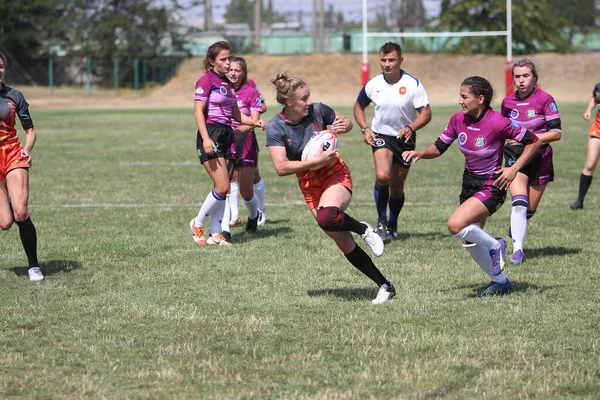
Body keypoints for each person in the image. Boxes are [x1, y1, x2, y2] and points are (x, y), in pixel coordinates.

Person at [402, 76, 542, 297]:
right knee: (469, 238)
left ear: (480, 98)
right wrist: (420, 153)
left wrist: (513, 169)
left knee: (455, 225)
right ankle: (500, 282)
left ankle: (496, 245)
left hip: (492, 184)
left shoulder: (498, 122)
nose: (460, 101)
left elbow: (535, 142)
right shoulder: (458, 120)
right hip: (469, 182)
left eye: (464, 96)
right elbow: (440, 147)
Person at [266, 72, 395, 305]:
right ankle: (386, 286)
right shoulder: (276, 128)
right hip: (309, 182)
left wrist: (345, 125)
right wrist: (313, 163)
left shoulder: (318, 110)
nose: (309, 102)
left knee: (327, 217)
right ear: (288, 102)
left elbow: (345, 122)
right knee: (343, 240)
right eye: (303, 99)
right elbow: (281, 167)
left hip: (334, 172)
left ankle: (364, 230)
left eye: (309, 97)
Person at [354, 41, 432, 244]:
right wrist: (365, 128)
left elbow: (426, 113)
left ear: (400, 60)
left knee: (397, 187)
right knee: (382, 176)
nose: (387, 64)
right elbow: (358, 107)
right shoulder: (373, 84)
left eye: (391, 60)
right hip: (381, 136)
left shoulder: (412, 83)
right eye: (383, 60)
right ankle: (380, 222)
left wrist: (411, 128)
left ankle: (392, 222)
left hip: (404, 138)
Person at [189, 41, 264, 247]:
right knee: (222, 186)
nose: (228, 62)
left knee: (223, 188)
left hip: (226, 134)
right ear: (212, 62)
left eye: (229, 58)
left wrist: (253, 121)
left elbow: (235, 113)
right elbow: (198, 111)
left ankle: (216, 233)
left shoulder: (227, 84)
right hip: (211, 132)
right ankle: (198, 222)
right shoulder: (205, 80)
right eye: (223, 59)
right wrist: (205, 137)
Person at [501, 59, 562, 265]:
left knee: (529, 210)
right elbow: (503, 131)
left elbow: (556, 133)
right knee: (519, 202)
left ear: (534, 77)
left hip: (541, 157)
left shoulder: (545, 99)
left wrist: (528, 137)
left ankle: (516, 227)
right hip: (515, 156)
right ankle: (518, 250)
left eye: (525, 76)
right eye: (517, 76)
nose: (520, 80)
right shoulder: (507, 103)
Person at [0, 51, 43, 281]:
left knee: (21, 212)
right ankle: (7, 196)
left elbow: (30, 130)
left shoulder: (14, 96)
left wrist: (26, 150)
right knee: (5, 223)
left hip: (13, 155)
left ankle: (34, 266)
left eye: (0, 66)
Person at [220, 56, 264, 239]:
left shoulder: (251, 92)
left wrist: (237, 131)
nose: (232, 73)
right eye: (230, 69)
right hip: (224, 142)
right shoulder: (221, 90)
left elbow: (254, 120)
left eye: (237, 70)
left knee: (247, 192)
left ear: (243, 73)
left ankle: (254, 215)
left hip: (245, 143)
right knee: (223, 186)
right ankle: (224, 230)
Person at [226, 76, 268, 229]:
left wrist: (248, 118)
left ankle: (260, 210)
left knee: (253, 175)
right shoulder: (220, 84)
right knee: (229, 177)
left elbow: (262, 106)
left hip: (246, 135)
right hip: (227, 136)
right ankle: (234, 215)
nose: (232, 72)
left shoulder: (249, 84)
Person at [570, 82, 600, 210]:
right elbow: (594, 97)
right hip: (597, 129)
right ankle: (579, 201)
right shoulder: (598, 86)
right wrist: (589, 110)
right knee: (590, 164)